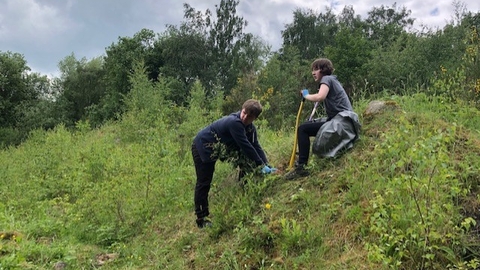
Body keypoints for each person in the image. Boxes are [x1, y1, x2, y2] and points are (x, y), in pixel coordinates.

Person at [192, 99, 276, 228]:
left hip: (215, 147)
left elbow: (255, 145)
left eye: (249, 117)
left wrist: (266, 164)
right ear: (241, 110)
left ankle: (245, 195)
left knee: (246, 163)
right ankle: (201, 218)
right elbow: (245, 146)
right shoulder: (234, 123)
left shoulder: (250, 129)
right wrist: (260, 165)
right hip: (202, 146)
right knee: (204, 182)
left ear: (254, 118)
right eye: (244, 113)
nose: (245, 117)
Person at [284, 58, 355, 180]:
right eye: (312, 70)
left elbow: (320, 97)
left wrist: (306, 95)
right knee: (307, 126)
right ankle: (302, 162)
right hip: (341, 120)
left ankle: (301, 167)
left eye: (316, 69)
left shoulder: (327, 79)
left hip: (341, 121)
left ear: (324, 70)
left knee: (302, 129)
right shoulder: (332, 81)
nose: (313, 72)